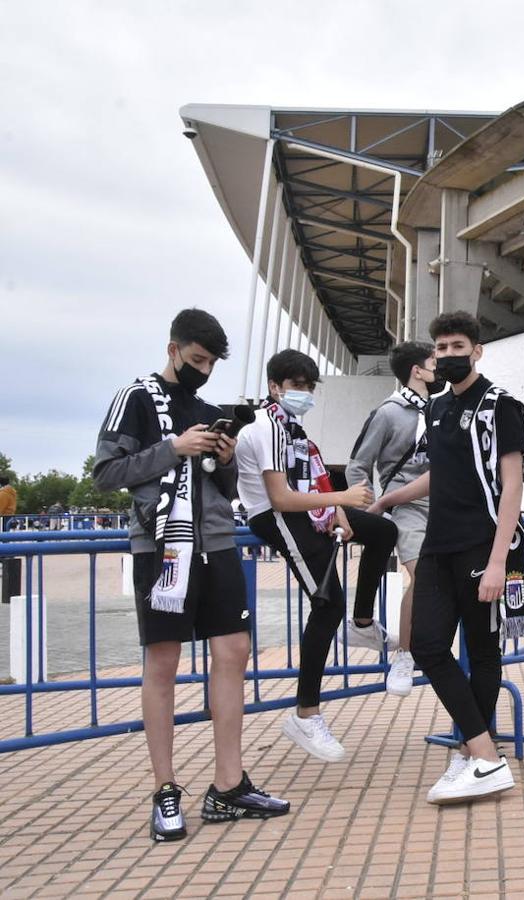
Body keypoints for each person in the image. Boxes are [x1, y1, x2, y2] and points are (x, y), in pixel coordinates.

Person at [92, 309, 288, 843]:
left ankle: (228, 785)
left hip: (218, 543)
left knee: (234, 652)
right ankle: (165, 789)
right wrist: (172, 449)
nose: (203, 369)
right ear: (173, 348)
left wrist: (223, 459)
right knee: (164, 661)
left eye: (211, 362)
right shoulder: (135, 397)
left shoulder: (206, 408)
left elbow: (222, 490)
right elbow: (105, 473)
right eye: (197, 359)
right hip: (161, 546)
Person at [370, 312, 524, 804]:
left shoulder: (501, 407)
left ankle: (478, 756)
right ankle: (483, 752)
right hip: (437, 544)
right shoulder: (437, 408)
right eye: (440, 348)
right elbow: (442, 474)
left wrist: (496, 562)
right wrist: (393, 498)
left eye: (456, 346)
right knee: (426, 645)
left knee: (485, 653)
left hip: (483, 545)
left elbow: (513, 487)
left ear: (478, 350)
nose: (447, 355)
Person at [235, 350, 394, 763]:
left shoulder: (295, 431)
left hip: (306, 512)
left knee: (383, 531)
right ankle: (306, 713)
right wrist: (343, 496)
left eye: (308, 387)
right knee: (326, 605)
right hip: (279, 517)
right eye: (296, 386)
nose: (303, 394)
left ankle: (361, 623)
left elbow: (310, 480)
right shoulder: (266, 427)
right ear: (274, 387)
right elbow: (281, 497)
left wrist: (339, 511)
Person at [346, 341, 439, 696]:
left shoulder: (440, 409)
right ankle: (404, 655)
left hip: (442, 505)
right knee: (422, 573)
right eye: (433, 362)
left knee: (439, 578)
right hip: (406, 507)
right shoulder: (389, 412)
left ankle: (425, 646)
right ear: (417, 370)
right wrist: (368, 505)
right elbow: (359, 463)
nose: (439, 369)